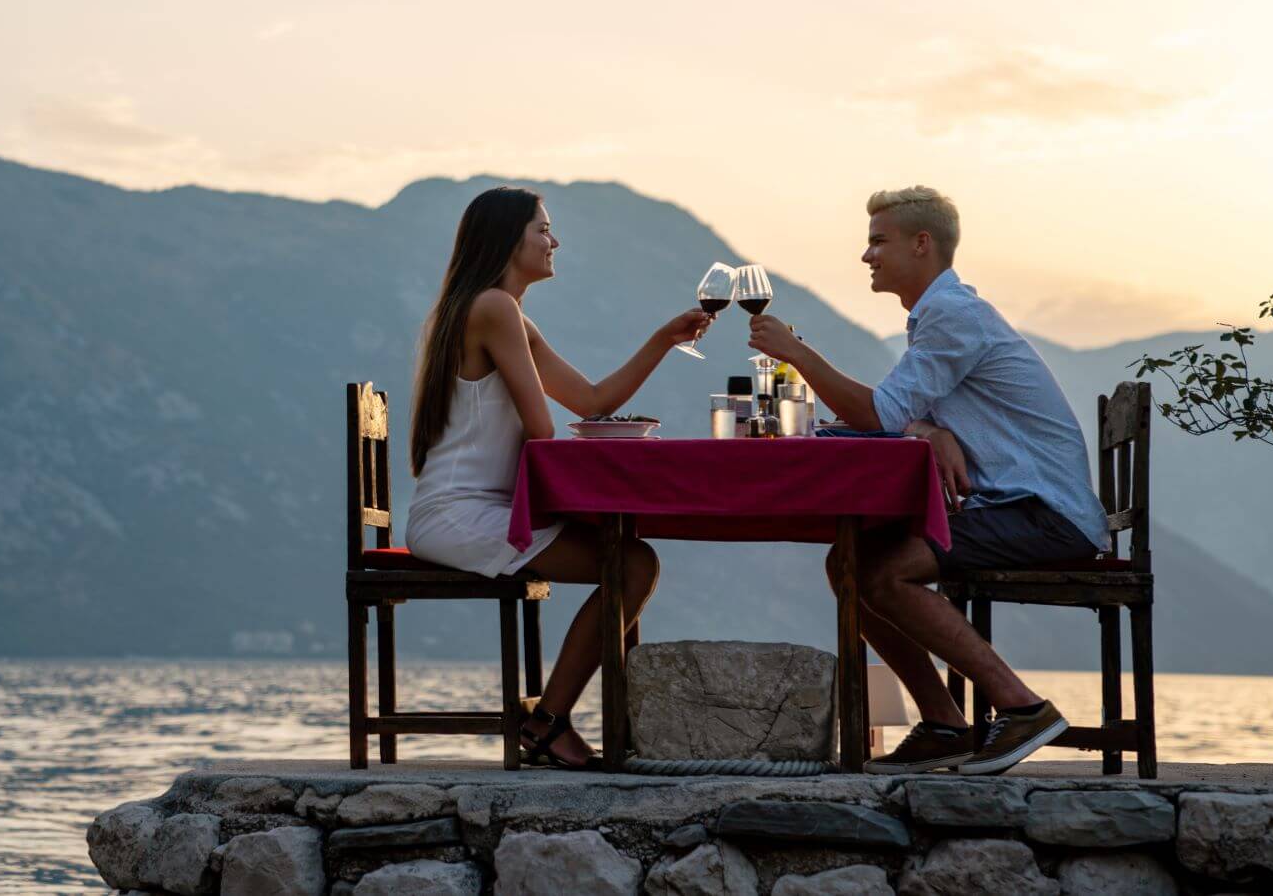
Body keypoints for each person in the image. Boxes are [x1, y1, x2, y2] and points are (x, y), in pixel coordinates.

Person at [748, 186, 1109, 776]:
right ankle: (944, 723)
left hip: (1047, 514)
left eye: (877, 241)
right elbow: (903, 413)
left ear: (922, 244)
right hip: (1017, 506)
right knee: (849, 561)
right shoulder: (940, 317)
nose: (867, 256)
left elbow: (876, 415)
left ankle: (1023, 707)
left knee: (882, 570)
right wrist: (927, 428)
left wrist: (797, 353)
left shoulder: (951, 314)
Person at [406, 186, 711, 769]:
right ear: (507, 238)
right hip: (456, 515)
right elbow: (543, 428)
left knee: (629, 558)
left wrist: (663, 341)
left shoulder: (504, 312)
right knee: (630, 562)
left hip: (472, 510)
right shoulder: (492, 307)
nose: (555, 241)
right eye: (543, 230)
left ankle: (585, 722)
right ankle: (547, 721)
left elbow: (593, 401)